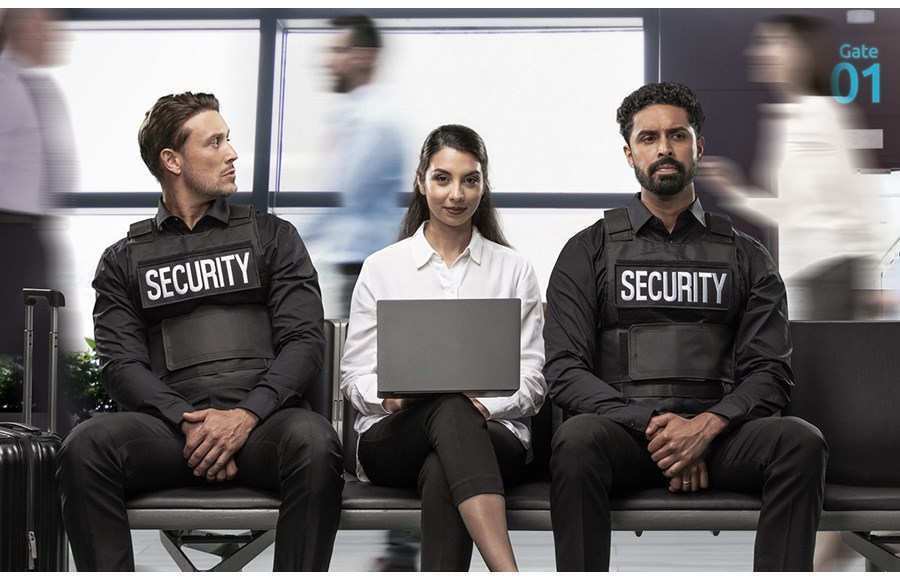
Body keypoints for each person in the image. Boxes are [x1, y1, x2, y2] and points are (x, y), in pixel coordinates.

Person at [543, 82, 827, 571]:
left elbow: (770, 372)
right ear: (629, 153)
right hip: (624, 438)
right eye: (649, 138)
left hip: (721, 438)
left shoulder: (747, 255)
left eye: (677, 135)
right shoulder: (586, 250)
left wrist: (705, 428)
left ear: (699, 147)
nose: (664, 148)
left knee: (801, 443)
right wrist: (656, 426)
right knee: (576, 441)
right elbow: (564, 370)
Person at [55, 92, 344, 572]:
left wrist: (244, 417)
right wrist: (190, 423)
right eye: (215, 142)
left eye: (228, 139)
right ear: (172, 160)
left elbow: (304, 343)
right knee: (85, 446)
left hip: (265, 426)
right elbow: (120, 364)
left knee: (315, 442)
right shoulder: (122, 260)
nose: (232, 153)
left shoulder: (274, 237)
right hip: (171, 435)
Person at [340, 124, 546, 572]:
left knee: (444, 459)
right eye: (442, 178)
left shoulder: (514, 270)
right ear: (421, 182)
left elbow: (533, 381)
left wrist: (483, 407)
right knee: (450, 410)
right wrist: (392, 399)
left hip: (494, 434)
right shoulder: (381, 268)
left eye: (470, 180)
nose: (457, 194)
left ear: (483, 186)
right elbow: (354, 378)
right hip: (394, 437)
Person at [699, 14, 893, 320]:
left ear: (805, 54)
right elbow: (789, 210)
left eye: (777, 42)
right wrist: (735, 190)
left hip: (831, 271)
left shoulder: (824, 113)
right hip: (804, 275)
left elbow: (856, 199)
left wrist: (867, 281)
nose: (761, 51)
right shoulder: (783, 119)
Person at [308, 13, 408, 320]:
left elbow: (343, 197)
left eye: (338, 51)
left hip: (367, 271)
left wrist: (279, 239)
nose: (328, 62)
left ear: (365, 57)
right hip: (357, 270)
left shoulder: (374, 124)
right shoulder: (353, 118)